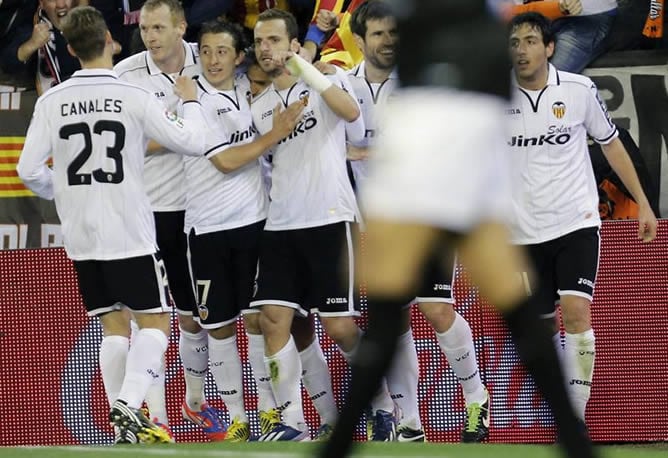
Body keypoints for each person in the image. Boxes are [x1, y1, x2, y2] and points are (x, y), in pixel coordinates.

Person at [318, 1, 599, 457]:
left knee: (404, 315)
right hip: (441, 147)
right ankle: (576, 441)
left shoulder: (465, 23)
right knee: (505, 314)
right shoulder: (443, 23)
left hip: (449, 153)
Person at [16, 5, 207, 444]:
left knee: (114, 326)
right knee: (157, 325)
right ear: (110, 41)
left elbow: (29, 171)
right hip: (128, 229)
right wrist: (192, 101)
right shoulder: (134, 96)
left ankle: (126, 432)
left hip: (81, 234)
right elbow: (193, 142)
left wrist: (63, 191)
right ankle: (129, 404)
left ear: (69, 49)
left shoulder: (51, 101)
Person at [249, 8, 399, 442]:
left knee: (339, 327)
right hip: (280, 227)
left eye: (274, 40)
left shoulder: (325, 82)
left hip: (330, 219)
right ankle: (292, 421)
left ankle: (382, 407)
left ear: (294, 44)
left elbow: (353, 114)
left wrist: (308, 71)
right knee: (274, 320)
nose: (265, 48)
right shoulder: (258, 107)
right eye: (260, 41)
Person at [345, 0, 491, 443]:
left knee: (436, 307)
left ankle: (475, 397)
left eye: (394, 33)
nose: (388, 41)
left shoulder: (424, 81)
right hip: (374, 224)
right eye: (378, 34)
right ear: (360, 40)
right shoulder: (342, 87)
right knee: (396, 320)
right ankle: (409, 423)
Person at [507, 11, 657, 428]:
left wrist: (643, 203)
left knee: (575, 312)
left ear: (550, 47)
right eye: (515, 42)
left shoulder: (579, 89)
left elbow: (612, 146)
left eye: (531, 41)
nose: (522, 50)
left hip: (575, 221)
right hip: (519, 230)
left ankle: (574, 417)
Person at [175, 18, 305, 442]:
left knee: (256, 321)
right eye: (206, 51)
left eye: (222, 51)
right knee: (220, 327)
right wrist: (275, 134)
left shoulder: (247, 93)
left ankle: (270, 413)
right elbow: (225, 161)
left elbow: (288, 61)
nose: (213, 59)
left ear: (237, 57)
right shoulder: (191, 99)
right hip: (206, 228)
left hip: (253, 223)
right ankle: (236, 417)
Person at [113, 0, 226, 441]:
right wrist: (178, 129)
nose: (150, 36)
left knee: (201, 317)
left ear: (181, 27)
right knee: (154, 318)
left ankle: (194, 402)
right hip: (155, 211)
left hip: (210, 208)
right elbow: (126, 143)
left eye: (159, 27)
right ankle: (156, 416)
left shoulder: (213, 58)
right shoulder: (126, 75)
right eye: (144, 28)